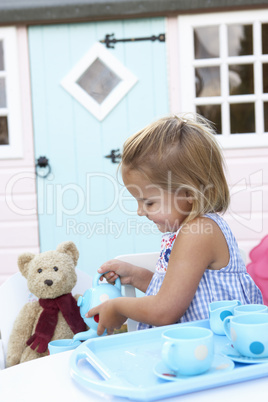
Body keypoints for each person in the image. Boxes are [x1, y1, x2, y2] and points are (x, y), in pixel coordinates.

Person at [86, 114, 263, 335]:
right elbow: (182, 293)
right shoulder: (189, 231)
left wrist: (118, 306)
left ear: (188, 193)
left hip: (218, 354)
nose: (140, 212)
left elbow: (165, 311)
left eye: (148, 202)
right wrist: (136, 276)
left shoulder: (198, 232)